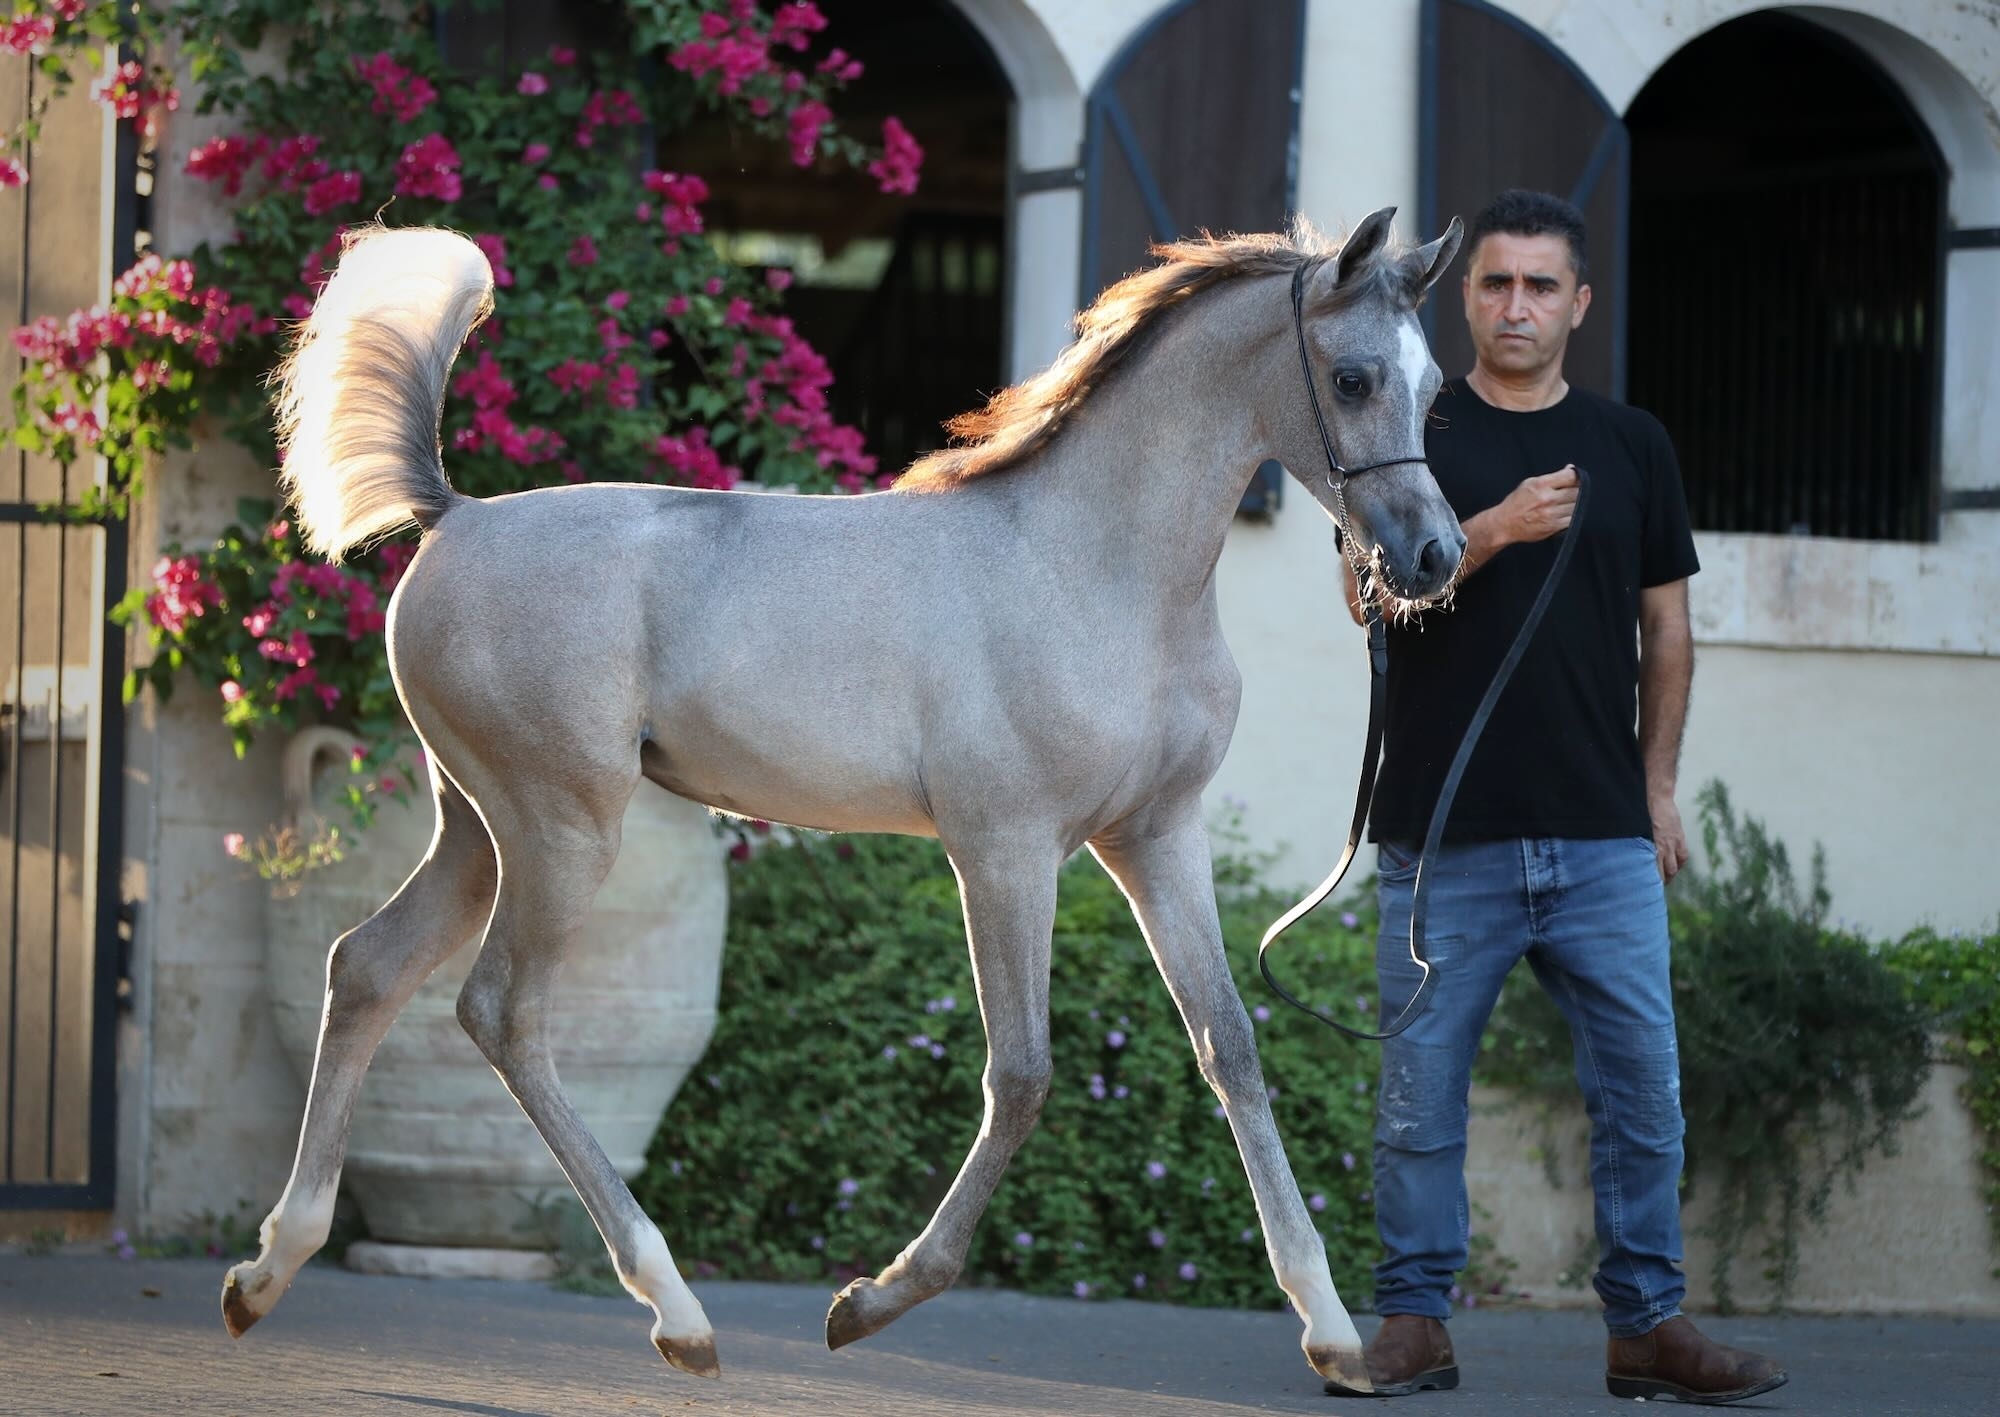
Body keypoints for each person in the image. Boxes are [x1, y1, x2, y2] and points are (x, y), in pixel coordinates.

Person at [1322, 190, 1786, 1404]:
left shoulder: (1630, 444)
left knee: (1640, 1097)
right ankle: (1412, 1323)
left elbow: (1666, 631)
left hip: (1599, 837)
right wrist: (1489, 531)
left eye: (1539, 285)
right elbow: (1363, 597)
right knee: (1419, 1101)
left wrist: (1658, 788)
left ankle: (1647, 1328)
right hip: (1441, 836)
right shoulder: (1411, 424)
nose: (1514, 305)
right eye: (1494, 283)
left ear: (1577, 303)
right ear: (1463, 298)